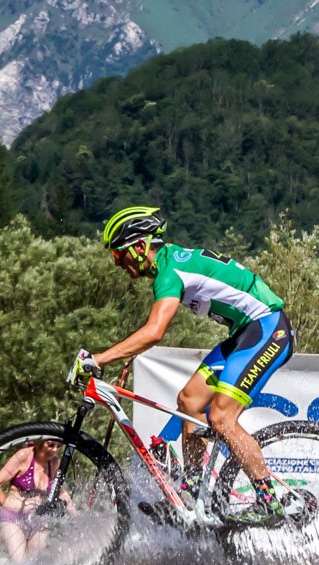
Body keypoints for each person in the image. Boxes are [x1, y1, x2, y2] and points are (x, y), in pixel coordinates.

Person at [84, 206, 297, 520]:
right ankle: (193, 488)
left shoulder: (169, 273)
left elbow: (154, 332)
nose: (119, 264)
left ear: (140, 247)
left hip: (268, 328)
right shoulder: (170, 263)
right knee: (189, 401)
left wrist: (99, 358)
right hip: (244, 333)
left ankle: (269, 501)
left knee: (223, 418)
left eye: (119, 255)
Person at [0, 437, 64, 564]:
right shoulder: (24, 456)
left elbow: (62, 492)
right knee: (18, 563)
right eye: (51, 445)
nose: (54, 450)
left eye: (59, 446)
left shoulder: (54, 463)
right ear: (40, 442)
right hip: (13, 517)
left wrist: (77, 516)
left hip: (39, 519)